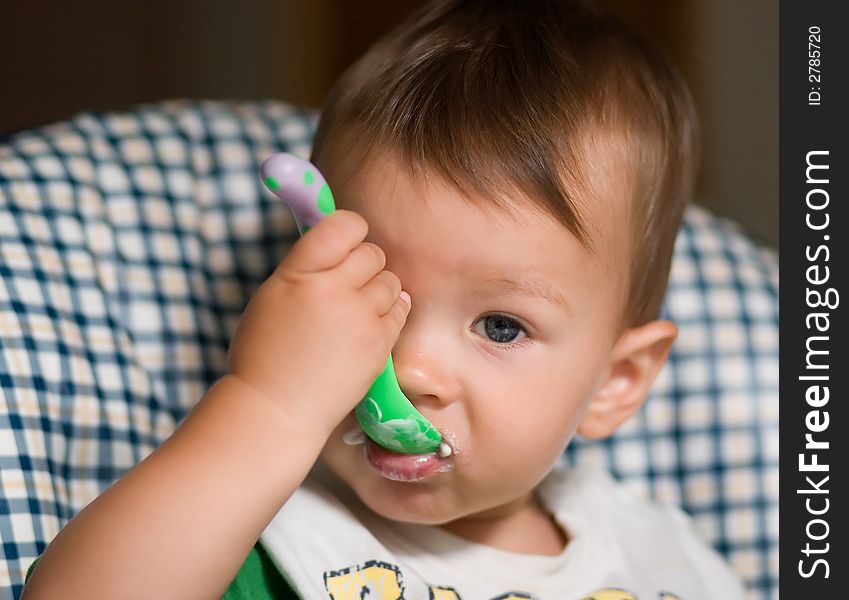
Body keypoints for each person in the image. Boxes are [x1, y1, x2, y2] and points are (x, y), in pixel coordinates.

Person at [21, 0, 745, 598]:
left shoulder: (666, 561)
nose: (413, 368)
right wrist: (269, 404)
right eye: (371, 292)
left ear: (615, 382)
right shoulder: (263, 528)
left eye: (499, 325)